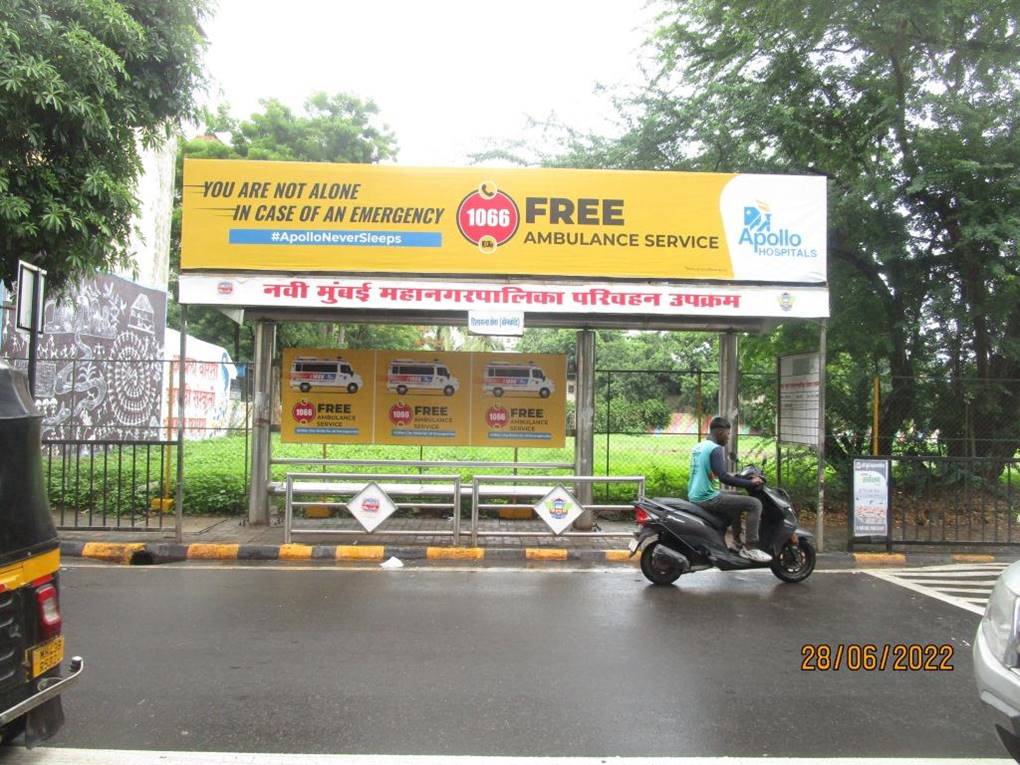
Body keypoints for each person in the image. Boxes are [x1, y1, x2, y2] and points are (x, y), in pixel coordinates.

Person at [687, 416, 772, 563]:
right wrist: (752, 483)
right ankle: (750, 548)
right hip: (707, 498)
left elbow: (712, 472)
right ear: (720, 433)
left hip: (696, 494)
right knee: (754, 504)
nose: (728, 438)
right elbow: (724, 478)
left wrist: (743, 478)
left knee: (736, 497)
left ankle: (736, 543)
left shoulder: (699, 447)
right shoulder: (715, 449)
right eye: (728, 434)